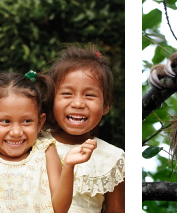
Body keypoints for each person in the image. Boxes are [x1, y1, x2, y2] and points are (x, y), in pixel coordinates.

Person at [0, 69, 96, 213]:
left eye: (26, 121)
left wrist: (68, 166)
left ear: (40, 122)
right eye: (6, 121)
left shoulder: (46, 151)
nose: (16, 132)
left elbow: (59, 210)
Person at [39, 44, 125, 212]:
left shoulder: (113, 158)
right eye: (67, 94)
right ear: (52, 100)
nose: (78, 103)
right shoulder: (34, 142)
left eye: (90, 95)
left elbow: (117, 210)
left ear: (106, 105)